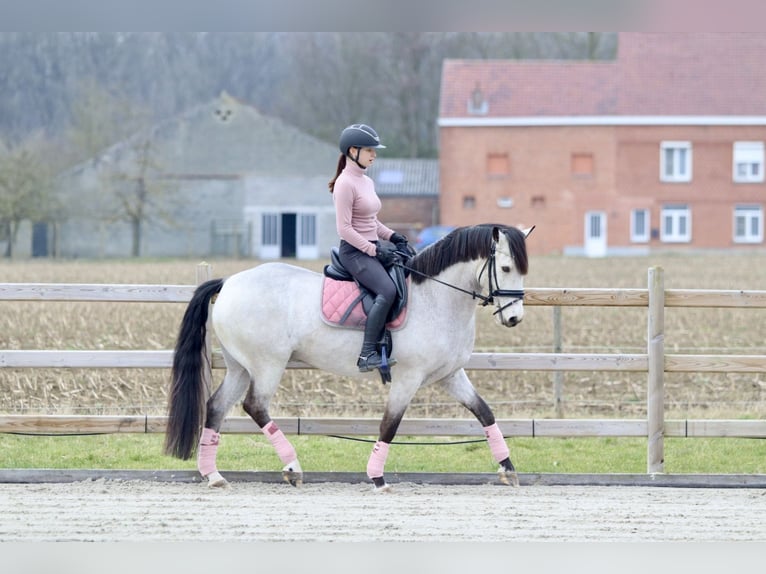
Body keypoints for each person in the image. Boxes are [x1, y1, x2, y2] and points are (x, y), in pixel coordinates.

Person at [328, 123, 409, 372]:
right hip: (354, 252)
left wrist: (393, 237)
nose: (374, 155)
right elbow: (344, 229)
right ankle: (366, 355)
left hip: (371, 246)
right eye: (370, 150)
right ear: (353, 150)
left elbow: (372, 221)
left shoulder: (366, 181)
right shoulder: (345, 184)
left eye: (375, 151)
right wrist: (374, 250)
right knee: (387, 289)